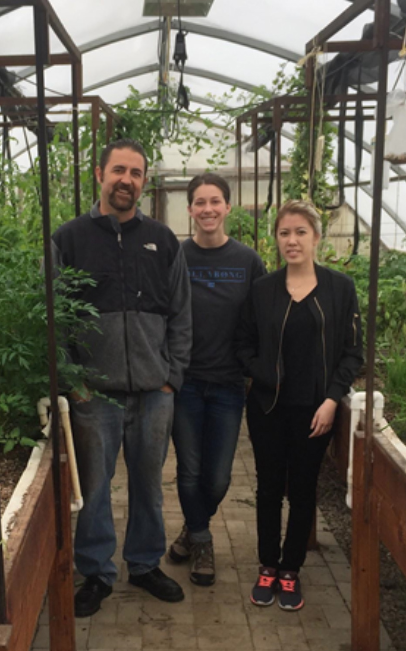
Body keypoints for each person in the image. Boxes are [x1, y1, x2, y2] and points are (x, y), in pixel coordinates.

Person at [52, 137, 193, 618]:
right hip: (95, 395)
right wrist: (74, 381)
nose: (126, 180)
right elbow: (52, 318)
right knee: (95, 486)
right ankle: (95, 572)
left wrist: (171, 376)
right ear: (99, 174)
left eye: (135, 173)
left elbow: (180, 312)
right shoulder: (69, 238)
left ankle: (145, 563)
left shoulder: (163, 239)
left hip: (155, 392)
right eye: (118, 170)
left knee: (150, 483)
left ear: (144, 182)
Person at [236, 200, 362, 611]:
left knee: (304, 489)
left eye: (300, 232)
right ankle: (267, 565)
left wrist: (331, 400)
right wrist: (262, 373)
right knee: (270, 488)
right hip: (268, 407)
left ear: (316, 238)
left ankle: (291, 570)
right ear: (277, 239)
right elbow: (243, 343)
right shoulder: (262, 290)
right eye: (284, 233)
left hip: (314, 409)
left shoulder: (339, 289)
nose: (292, 240)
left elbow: (352, 353)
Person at [166, 173, 265, 586]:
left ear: (227, 207)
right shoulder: (175, 257)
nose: (207, 209)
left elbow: (264, 318)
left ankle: (192, 529)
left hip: (227, 385)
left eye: (215, 201)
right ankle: (203, 540)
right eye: (199, 202)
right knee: (189, 470)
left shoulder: (247, 261)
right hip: (185, 383)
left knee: (219, 476)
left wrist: (256, 371)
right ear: (189, 209)